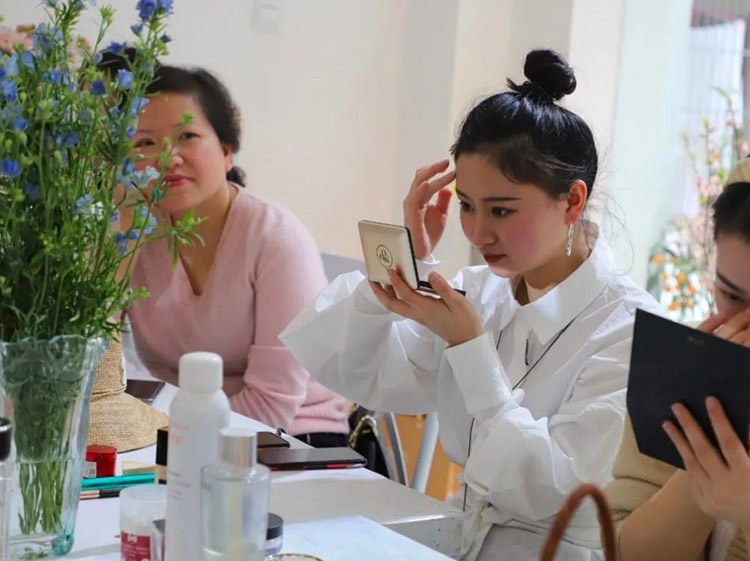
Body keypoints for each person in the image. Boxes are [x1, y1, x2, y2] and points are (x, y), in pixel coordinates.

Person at [280, 48, 661, 561]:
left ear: (572, 201)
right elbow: (354, 369)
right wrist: (402, 267)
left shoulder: (632, 331)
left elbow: (555, 488)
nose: (478, 233)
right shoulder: (481, 292)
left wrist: (471, 349)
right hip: (464, 540)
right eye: (466, 205)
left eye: (501, 210)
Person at [124, 64, 349, 444]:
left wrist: (169, 432)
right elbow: (92, 362)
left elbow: (273, 404)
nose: (167, 157)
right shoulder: (134, 230)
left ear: (226, 151)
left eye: (187, 136)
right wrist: (119, 233)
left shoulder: (276, 239)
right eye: (145, 143)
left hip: (291, 439)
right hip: (178, 433)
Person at [607, 158, 750, 561]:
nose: (742, 326)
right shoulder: (682, 364)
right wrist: (705, 452)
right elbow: (625, 552)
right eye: (731, 295)